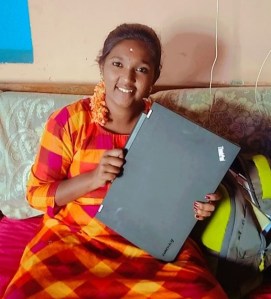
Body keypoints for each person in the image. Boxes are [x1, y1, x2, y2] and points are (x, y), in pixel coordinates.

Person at [3, 23, 227, 298]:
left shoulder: (169, 129)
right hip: (77, 239)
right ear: (102, 66)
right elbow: (36, 195)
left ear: (154, 77)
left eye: (142, 69)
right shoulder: (70, 122)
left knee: (202, 292)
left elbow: (177, 200)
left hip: (148, 243)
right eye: (117, 64)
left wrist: (197, 208)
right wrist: (93, 179)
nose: (127, 78)